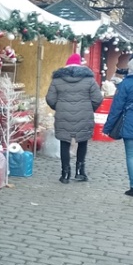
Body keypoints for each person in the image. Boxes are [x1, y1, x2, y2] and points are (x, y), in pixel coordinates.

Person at [46, 53, 103, 184]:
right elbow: (98, 98)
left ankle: (65, 174)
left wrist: (59, 107)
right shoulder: (89, 80)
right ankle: (80, 172)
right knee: (82, 142)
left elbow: (50, 98)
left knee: (64, 143)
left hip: (63, 114)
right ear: (80, 65)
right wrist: (89, 108)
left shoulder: (57, 80)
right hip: (84, 114)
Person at [103, 54, 133, 196]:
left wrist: (108, 127)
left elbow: (116, 107)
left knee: (132, 155)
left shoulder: (127, 83)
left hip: (131, 122)